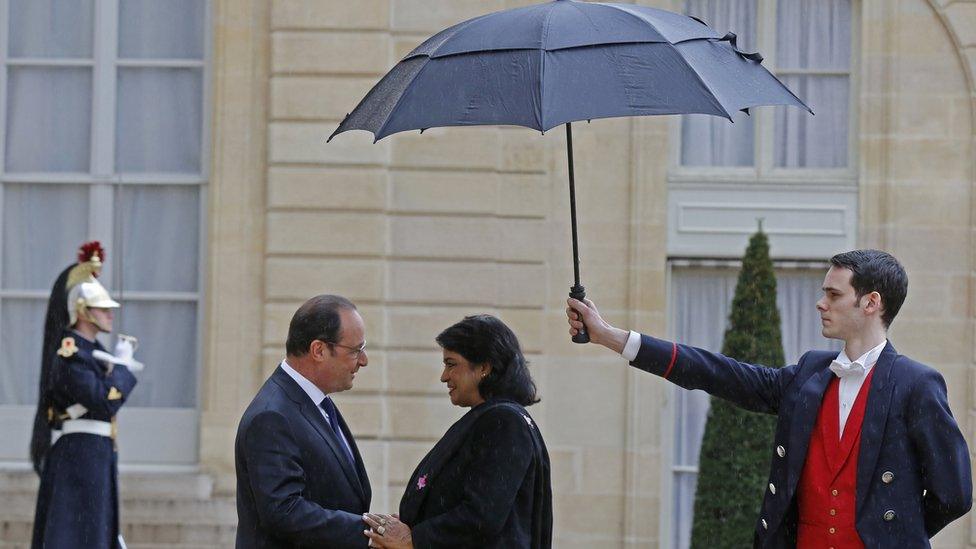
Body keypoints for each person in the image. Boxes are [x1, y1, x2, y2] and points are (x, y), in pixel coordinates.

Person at [566, 249, 972, 548]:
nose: (820, 302)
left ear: (871, 302)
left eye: (833, 294)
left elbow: (953, 495)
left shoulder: (916, 384)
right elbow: (718, 373)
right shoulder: (809, 374)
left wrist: (889, 531)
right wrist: (610, 336)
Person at [363, 314, 552, 549]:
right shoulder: (491, 417)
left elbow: (483, 515)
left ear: (484, 367)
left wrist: (414, 539)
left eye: (451, 364)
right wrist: (415, 523)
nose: (444, 376)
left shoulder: (504, 421)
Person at [235, 294, 372, 548]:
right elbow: (283, 511)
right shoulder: (272, 416)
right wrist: (371, 532)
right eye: (355, 351)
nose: (363, 361)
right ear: (318, 350)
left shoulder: (317, 401)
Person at [31, 241, 141, 549]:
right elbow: (103, 401)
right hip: (79, 453)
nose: (109, 315)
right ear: (82, 309)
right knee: (75, 535)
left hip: (95, 451)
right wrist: (123, 368)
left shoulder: (93, 352)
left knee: (96, 533)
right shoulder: (70, 353)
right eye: (102, 309)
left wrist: (115, 365)